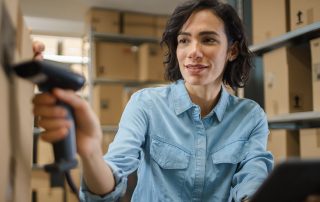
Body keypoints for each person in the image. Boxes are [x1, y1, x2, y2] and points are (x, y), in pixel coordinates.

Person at [32, 0, 274, 201]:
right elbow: (106, 188)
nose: (193, 51)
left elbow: (253, 180)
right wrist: (91, 152)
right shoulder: (146, 104)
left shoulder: (250, 116)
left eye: (208, 39)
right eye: (184, 40)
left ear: (232, 50)